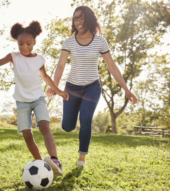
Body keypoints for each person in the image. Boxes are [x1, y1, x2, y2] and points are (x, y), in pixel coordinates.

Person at [46, 6, 138, 167]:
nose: (78, 22)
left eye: (81, 18)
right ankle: (70, 123)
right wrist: (55, 86)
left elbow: (112, 66)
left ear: (89, 19)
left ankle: (82, 158)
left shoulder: (100, 41)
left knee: (86, 118)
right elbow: (60, 65)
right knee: (68, 126)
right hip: (72, 88)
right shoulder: (69, 42)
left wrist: (126, 89)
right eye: (76, 19)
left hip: (92, 87)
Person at [0, 21, 69, 176]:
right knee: (27, 134)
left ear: (34, 42)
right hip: (22, 102)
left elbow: (45, 77)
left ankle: (55, 160)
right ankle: (41, 164)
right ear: (16, 43)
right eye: (21, 44)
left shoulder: (39, 59)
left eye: (28, 43)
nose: (24, 47)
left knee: (45, 126)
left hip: (38, 98)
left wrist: (58, 91)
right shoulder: (14, 56)